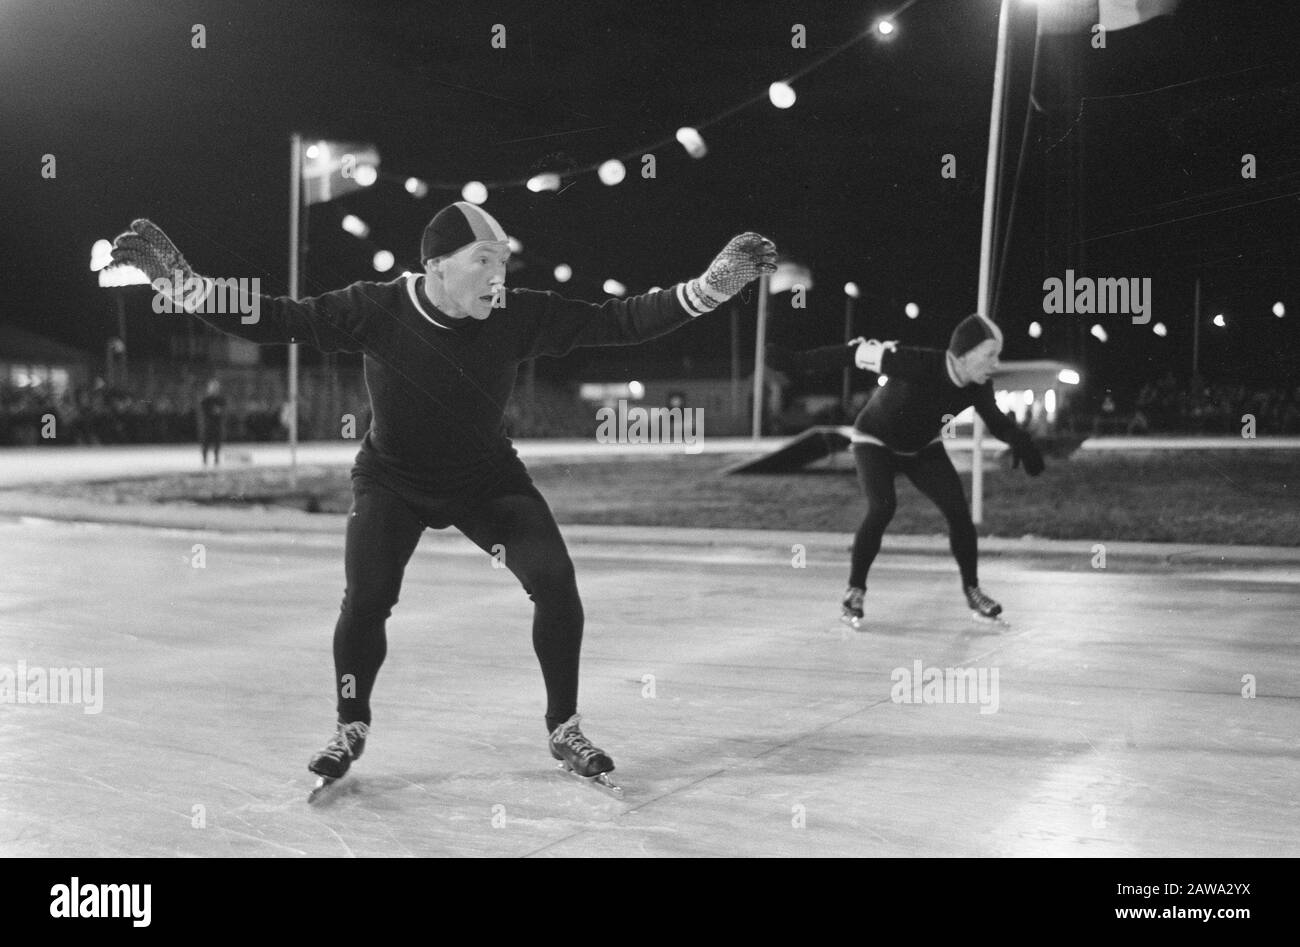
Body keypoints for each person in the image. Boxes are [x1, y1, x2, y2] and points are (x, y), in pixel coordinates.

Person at [109, 208, 776, 793]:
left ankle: (564, 727)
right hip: (392, 480)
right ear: (434, 267)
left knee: (557, 585)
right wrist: (182, 284)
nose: (498, 275)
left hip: (486, 481)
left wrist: (709, 288)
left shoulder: (518, 312)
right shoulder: (374, 306)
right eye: (483, 259)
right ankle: (350, 726)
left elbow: (620, 321)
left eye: (504, 261)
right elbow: (274, 318)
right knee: (367, 600)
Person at [766, 314, 1044, 629]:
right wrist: (794, 361)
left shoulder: (978, 385)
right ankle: (854, 591)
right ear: (963, 354)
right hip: (875, 440)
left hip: (921, 447)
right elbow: (852, 353)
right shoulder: (914, 362)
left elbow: (996, 421)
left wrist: (1019, 438)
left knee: (958, 512)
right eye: (989, 355)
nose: (995, 363)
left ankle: (973, 591)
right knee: (882, 507)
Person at [198, 378, 226, 466]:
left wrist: (218, 411)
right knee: (205, 442)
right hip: (208, 424)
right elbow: (204, 411)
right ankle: (204, 459)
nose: (214, 389)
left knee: (217, 442)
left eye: (216, 387)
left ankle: (216, 458)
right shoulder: (205, 400)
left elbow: (223, 411)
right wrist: (213, 411)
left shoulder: (221, 399)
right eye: (213, 387)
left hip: (217, 424)